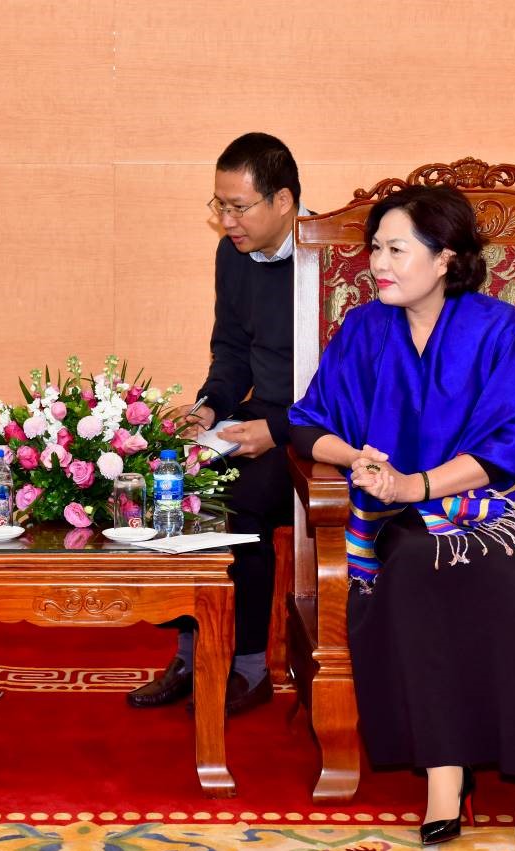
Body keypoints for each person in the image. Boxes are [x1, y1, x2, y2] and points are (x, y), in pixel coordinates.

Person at [288, 184, 515, 851]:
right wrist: (357, 457)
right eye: (375, 248)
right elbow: (308, 422)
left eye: (397, 249)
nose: (378, 263)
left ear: (445, 258)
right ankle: (444, 770)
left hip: (507, 504)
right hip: (406, 515)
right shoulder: (365, 330)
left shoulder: (496, 325)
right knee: (415, 561)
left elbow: (510, 441)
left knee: (489, 573)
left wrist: (416, 482)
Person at [127, 132, 306, 715]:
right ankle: (191, 652)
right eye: (219, 205)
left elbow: (360, 377)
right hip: (262, 414)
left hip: (322, 426)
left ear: (283, 200)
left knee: (240, 500)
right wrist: (208, 407)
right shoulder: (233, 254)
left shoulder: (331, 256)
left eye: (238, 207)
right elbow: (231, 349)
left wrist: (280, 430)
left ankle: (248, 667)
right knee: (174, 478)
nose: (226, 221)